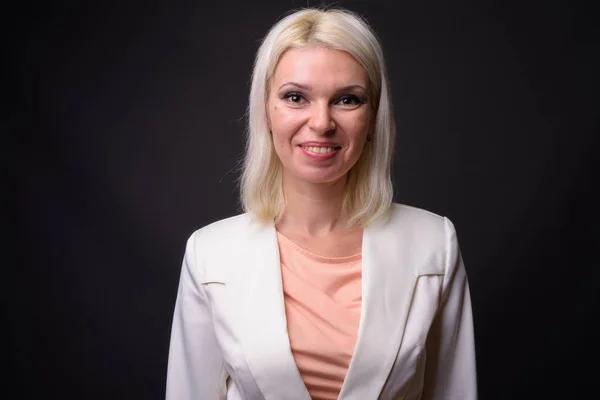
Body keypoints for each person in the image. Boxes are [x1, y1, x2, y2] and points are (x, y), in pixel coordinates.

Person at [166, 7, 477, 400]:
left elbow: (455, 392)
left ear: (373, 118)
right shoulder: (210, 254)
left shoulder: (435, 245)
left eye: (347, 99)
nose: (321, 122)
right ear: (266, 112)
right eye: (296, 97)